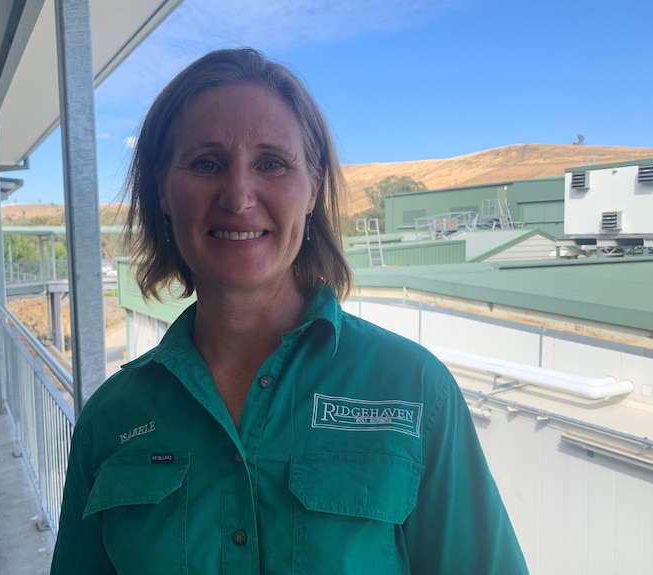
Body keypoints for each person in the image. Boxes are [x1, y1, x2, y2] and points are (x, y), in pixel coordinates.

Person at [50, 47, 528, 574]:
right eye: (206, 163)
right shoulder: (111, 418)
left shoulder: (414, 391)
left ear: (312, 190)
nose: (238, 196)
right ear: (163, 189)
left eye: (272, 163)